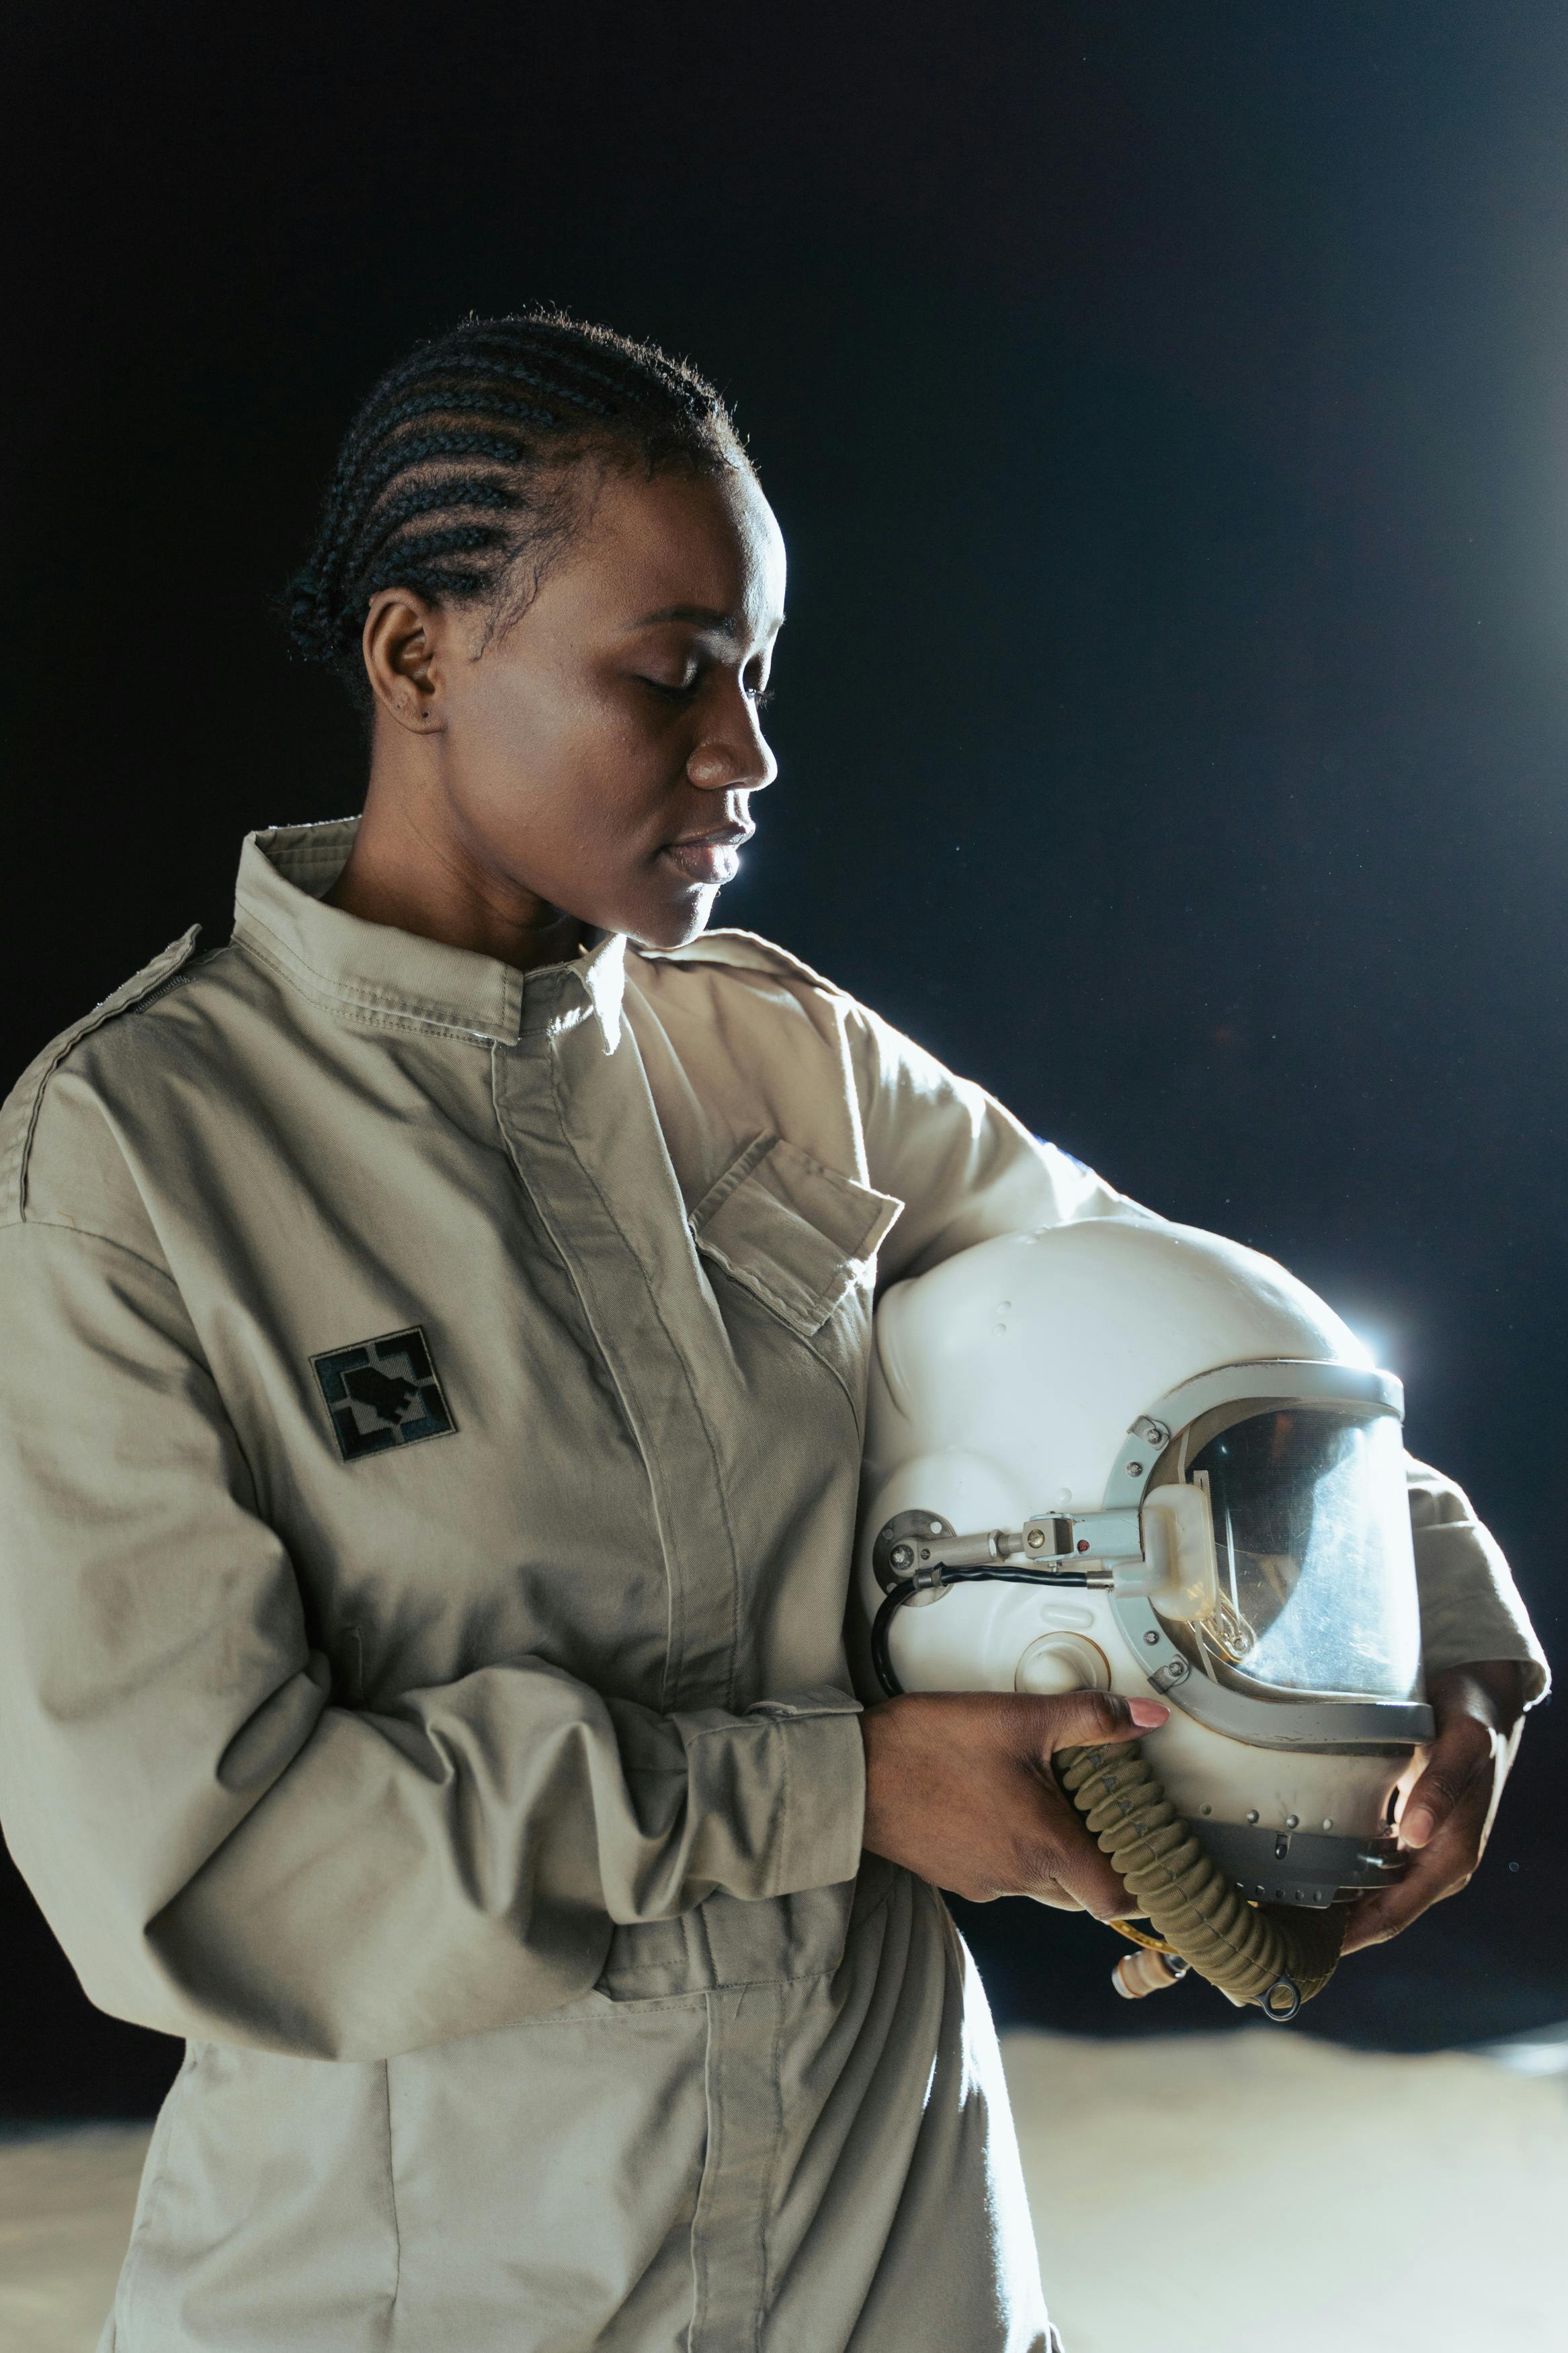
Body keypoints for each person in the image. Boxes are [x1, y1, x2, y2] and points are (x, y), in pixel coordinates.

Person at [0, 310, 1546, 2353]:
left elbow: (1209, 1342)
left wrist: (1442, 1648)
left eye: (759, 672)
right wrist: (846, 1792)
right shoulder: (145, 1155)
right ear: (414, 656)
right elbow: (203, 1857)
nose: (748, 752)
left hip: (891, 2262)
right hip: (429, 2301)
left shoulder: (782, 1061)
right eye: (672, 674)